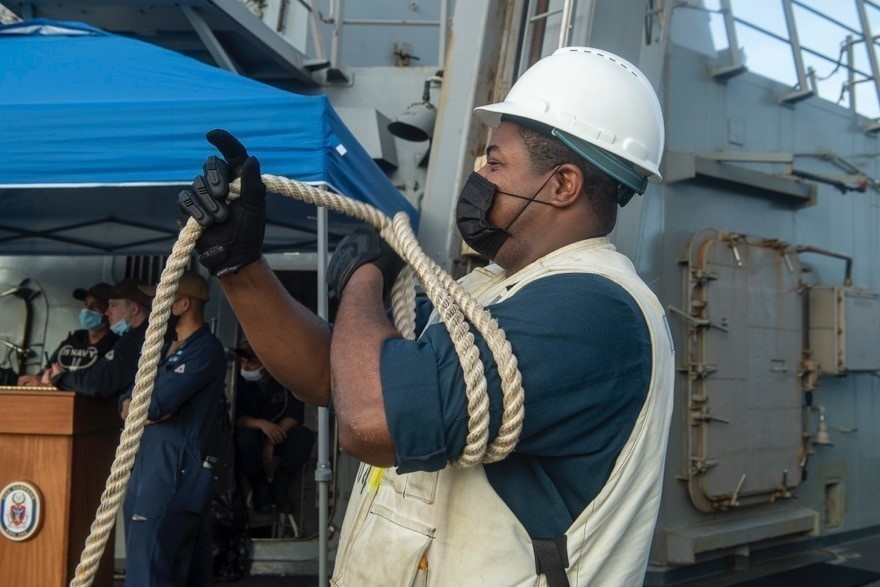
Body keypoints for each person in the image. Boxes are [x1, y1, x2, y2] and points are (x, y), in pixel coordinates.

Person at [179, 47, 674, 586]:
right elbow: (336, 375)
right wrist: (240, 267)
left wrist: (364, 277)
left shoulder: (593, 309)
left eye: (495, 160)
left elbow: (371, 419)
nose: (479, 174)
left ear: (561, 185)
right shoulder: (486, 290)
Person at [118, 270, 227, 586]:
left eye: (160, 301)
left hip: (174, 466)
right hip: (151, 463)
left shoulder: (205, 350)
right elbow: (128, 400)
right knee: (151, 559)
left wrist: (140, 408)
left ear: (182, 304)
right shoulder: (164, 347)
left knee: (153, 565)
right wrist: (138, 407)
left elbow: (152, 406)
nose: (154, 308)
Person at [233, 341, 315, 515]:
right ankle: (259, 485)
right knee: (245, 440)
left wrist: (272, 436)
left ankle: (280, 486)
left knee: (304, 437)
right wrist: (262, 425)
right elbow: (234, 416)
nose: (246, 367)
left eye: (251, 362)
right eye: (242, 362)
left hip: (277, 436)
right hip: (251, 436)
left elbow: (295, 414)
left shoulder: (282, 379)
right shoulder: (237, 382)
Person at [50, 278, 152, 399]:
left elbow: (97, 384)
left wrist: (60, 378)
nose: (107, 312)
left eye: (113, 305)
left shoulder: (134, 341)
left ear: (134, 309)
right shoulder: (75, 338)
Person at [17, 282, 118, 387]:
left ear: (109, 310)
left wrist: (58, 380)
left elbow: (96, 384)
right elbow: (47, 372)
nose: (87, 310)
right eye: (86, 304)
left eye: (95, 306)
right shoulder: (74, 338)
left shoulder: (117, 344)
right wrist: (35, 380)